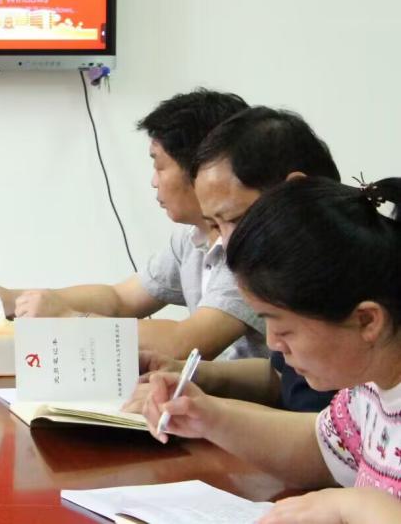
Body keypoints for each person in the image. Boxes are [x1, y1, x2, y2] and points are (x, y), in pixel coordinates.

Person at [140, 177, 401, 524]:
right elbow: (320, 449)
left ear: (366, 320)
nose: (273, 344)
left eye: (285, 329)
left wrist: (353, 506)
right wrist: (208, 417)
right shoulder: (367, 390)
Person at [0, 89, 263, 361]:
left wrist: (69, 319)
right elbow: (120, 299)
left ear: (203, 167)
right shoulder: (191, 240)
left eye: (160, 166)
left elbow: (184, 343)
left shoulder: (251, 247)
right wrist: (13, 300)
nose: (153, 181)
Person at [131, 107, 340, 413]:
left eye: (234, 220)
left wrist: (210, 414)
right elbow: (281, 377)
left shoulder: (346, 277)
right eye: (215, 225)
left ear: (295, 190)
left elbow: (328, 433)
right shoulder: (291, 273)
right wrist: (189, 375)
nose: (228, 245)